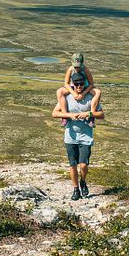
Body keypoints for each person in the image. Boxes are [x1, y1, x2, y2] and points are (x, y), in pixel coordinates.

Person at [52, 71, 104, 200]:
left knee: (84, 165)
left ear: (85, 84)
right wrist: (69, 115)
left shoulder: (91, 98)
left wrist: (89, 114)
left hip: (86, 136)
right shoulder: (67, 97)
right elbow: (54, 113)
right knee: (72, 165)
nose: (79, 86)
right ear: (73, 85)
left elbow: (102, 114)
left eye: (81, 84)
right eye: (77, 84)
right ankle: (76, 189)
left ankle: (83, 181)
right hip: (70, 136)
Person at [56, 52, 101, 127]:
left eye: (79, 67)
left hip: (85, 86)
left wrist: (84, 93)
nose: (77, 68)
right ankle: (65, 116)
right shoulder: (70, 69)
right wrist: (73, 93)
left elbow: (91, 83)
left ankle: (91, 116)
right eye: (75, 67)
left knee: (98, 92)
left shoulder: (85, 69)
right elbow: (66, 83)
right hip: (73, 86)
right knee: (59, 92)